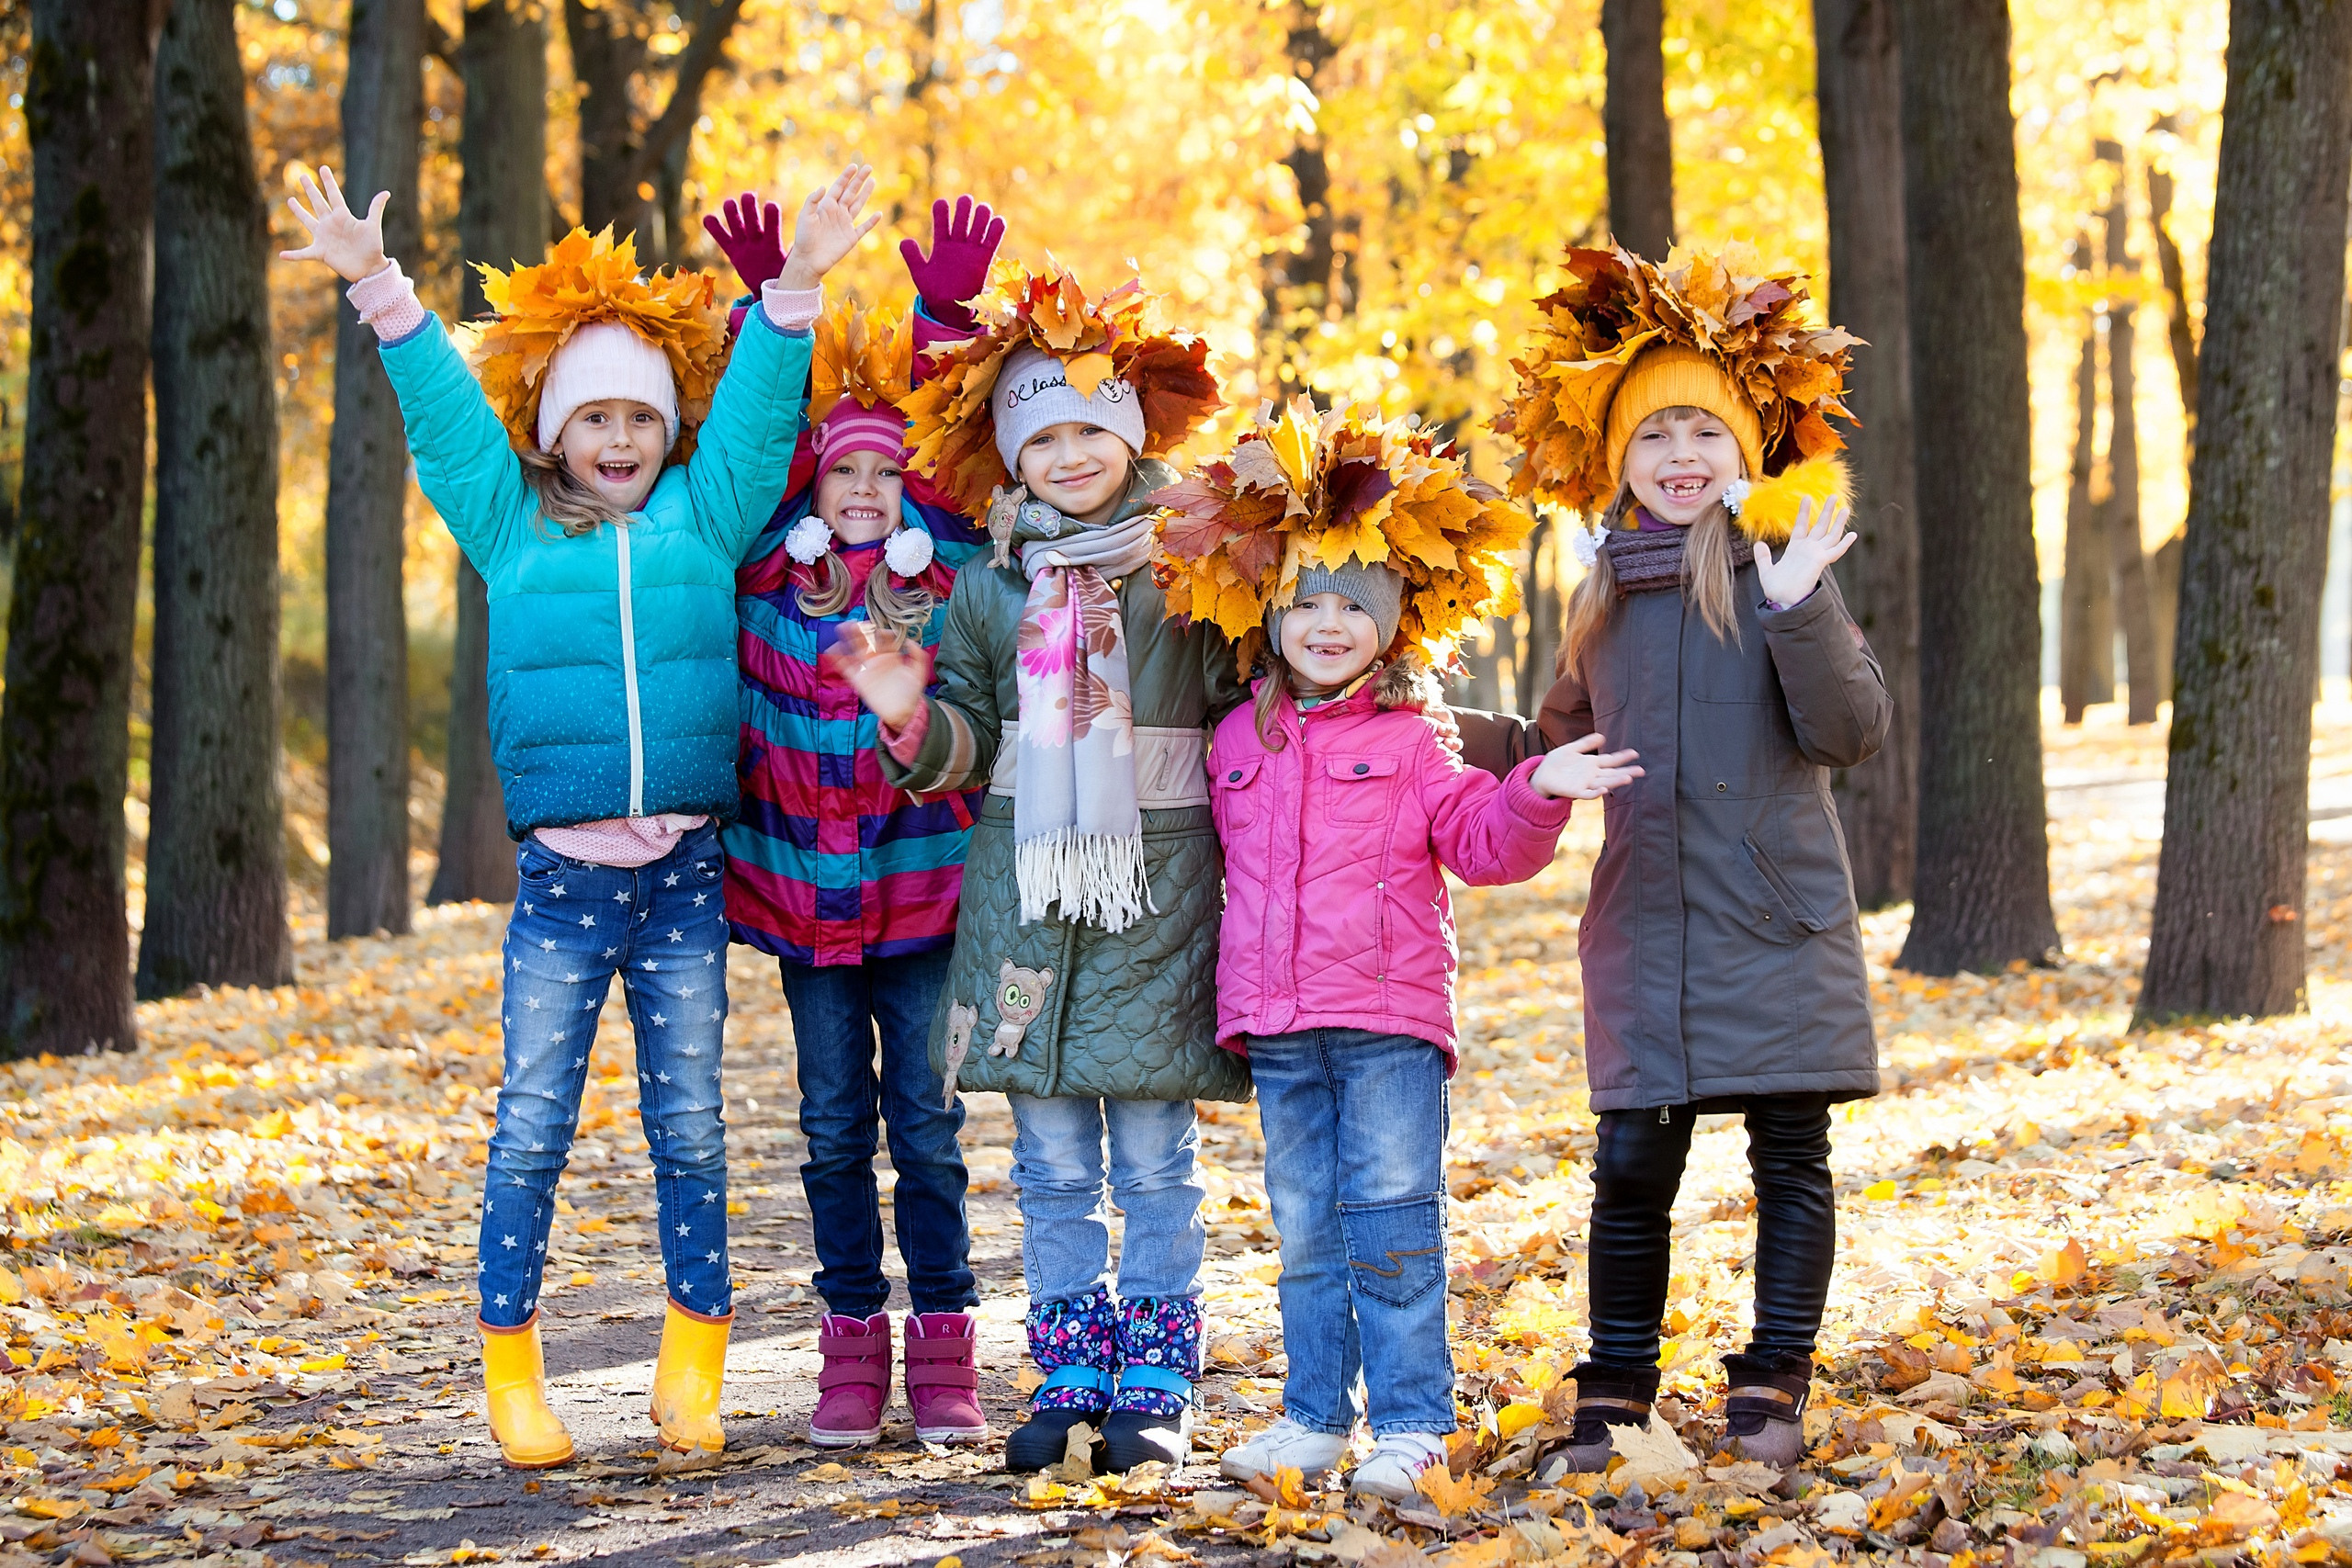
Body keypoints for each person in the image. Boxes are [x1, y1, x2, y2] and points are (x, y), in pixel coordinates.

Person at [280, 162, 879, 1468]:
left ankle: (693, 1365)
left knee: (691, 1122)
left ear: (669, 431)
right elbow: (442, 416)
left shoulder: (706, 517)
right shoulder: (507, 524)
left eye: (641, 417)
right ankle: (512, 1371)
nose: (619, 436)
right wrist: (376, 285)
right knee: (536, 1118)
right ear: (552, 431)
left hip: (683, 874)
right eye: (593, 415)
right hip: (561, 882)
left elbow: (763, 413)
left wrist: (798, 284)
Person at [1150, 399, 1641, 1498]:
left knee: (1394, 1225)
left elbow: (1481, 844)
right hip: (1276, 1028)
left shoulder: (1417, 737)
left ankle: (1414, 1421)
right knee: (1306, 1233)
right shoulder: (1235, 737)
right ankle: (1313, 1416)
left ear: (1390, 623)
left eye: (1351, 606)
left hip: (1386, 1025)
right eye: (1305, 603)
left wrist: (1537, 789)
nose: (1327, 623)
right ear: (1270, 620)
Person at [1454, 243, 1888, 1472]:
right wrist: (1448, 730)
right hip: (1646, 916)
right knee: (1634, 1157)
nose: (1682, 456)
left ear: (1743, 449)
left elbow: (1848, 730)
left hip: (1774, 912)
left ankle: (1773, 1380)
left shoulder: (1776, 570)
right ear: (1622, 459)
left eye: (1704, 430)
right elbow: (1553, 735)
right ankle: (1619, 1382)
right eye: (1657, 436)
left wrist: (1801, 604)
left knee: (1790, 1151)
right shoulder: (1601, 593)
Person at [826, 264, 1246, 1474]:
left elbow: (1250, 700)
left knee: (1158, 1157)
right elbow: (968, 741)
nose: (1069, 454)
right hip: (1023, 917)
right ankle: (1070, 1365)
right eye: (1043, 435)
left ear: (1129, 437)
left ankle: (1156, 1371)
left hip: (1156, 909)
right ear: (1012, 458)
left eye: (1089, 430)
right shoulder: (988, 590)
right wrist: (910, 717)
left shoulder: (1189, 577)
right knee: (1053, 1160)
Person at [703, 193, 1001, 1447]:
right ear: (818, 490)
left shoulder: (951, 581)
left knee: (927, 1129)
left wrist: (944, 321)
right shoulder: (771, 571)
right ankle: (849, 1344)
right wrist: (769, 311)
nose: (871, 486)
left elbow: (949, 449)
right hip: (806, 911)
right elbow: (753, 440)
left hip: (922, 902)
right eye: (848, 472)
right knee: (831, 1131)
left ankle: (944, 1340)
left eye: (889, 471)